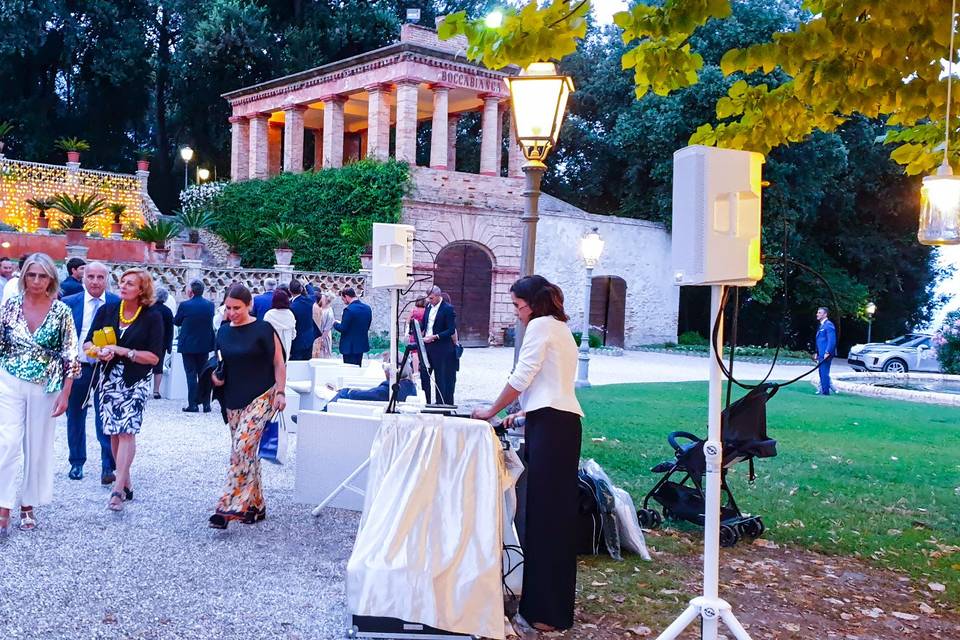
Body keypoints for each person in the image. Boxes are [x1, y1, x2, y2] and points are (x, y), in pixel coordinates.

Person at [471, 275, 583, 633]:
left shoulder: (539, 326)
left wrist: (490, 411)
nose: (517, 314)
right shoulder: (561, 328)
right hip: (559, 424)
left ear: (532, 304)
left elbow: (523, 376)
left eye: (518, 306)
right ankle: (549, 609)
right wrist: (519, 415)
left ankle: (544, 614)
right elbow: (553, 386)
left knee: (545, 520)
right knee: (554, 519)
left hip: (552, 428)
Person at [0, 253, 79, 536]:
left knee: (36, 446)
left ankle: (28, 504)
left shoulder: (62, 312)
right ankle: (4, 506)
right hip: (8, 380)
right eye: (31, 275)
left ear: (50, 279)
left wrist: (66, 393)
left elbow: (71, 353)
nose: (35, 281)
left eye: (42, 275)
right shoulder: (9, 306)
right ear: (23, 277)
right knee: (7, 443)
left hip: (45, 385)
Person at [208, 284, 286, 529]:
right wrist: (214, 377)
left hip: (262, 395)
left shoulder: (263, 329)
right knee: (247, 453)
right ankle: (256, 505)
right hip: (233, 397)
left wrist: (281, 392)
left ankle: (228, 506)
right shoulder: (222, 332)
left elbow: (279, 363)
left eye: (237, 308)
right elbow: (219, 361)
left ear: (249, 305)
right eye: (228, 308)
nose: (232, 312)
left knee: (241, 448)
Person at [86, 268, 164, 511]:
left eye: (130, 283)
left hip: (135, 380)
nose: (123, 286)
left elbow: (153, 357)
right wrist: (98, 351)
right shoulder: (107, 310)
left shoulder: (152, 316)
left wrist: (123, 351)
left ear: (142, 290)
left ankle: (117, 490)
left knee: (127, 432)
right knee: (113, 432)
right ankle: (126, 481)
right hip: (109, 380)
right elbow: (88, 341)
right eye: (122, 282)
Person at [61, 261, 119, 484]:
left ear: (106, 280)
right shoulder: (69, 303)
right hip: (78, 368)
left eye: (100, 277)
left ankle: (108, 465)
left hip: (106, 369)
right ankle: (76, 462)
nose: (95, 281)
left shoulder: (116, 303)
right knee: (75, 415)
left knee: (105, 417)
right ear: (83, 278)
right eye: (91, 276)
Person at [174, 279, 216, 413]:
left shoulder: (185, 305)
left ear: (191, 291)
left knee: (191, 374)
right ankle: (206, 404)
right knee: (203, 374)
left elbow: (177, 321)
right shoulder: (210, 305)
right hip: (204, 344)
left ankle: (193, 404)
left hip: (188, 344)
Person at [325, 354, 417, 407]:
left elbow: (369, 395)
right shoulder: (410, 386)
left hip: (371, 410)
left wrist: (350, 391)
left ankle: (322, 415)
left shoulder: (389, 389)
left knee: (344, 393)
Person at [420, 286, 457, 405]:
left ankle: (440, 403)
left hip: (441, 347)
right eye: (428, 298)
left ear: (438, 296)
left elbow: (451, 329)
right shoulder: (428, 307)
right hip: (427, 345)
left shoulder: (447, 309)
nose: (429, 300)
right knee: (425, 374)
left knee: (440, 377)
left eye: (431, 298)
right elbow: (426, 324)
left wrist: (435, 336)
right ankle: (426, 401)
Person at [333, 287, 372, 366]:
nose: (343, 302)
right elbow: (367, 325)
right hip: (361, 345)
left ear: (346, 296)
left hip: (349, 347)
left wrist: (335, 323)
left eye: (343, 299)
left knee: (349, 370)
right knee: (358, 368)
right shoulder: (367, 308)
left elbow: (343, 328)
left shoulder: (348, 310)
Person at [152, 287, 174, 400]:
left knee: (144, 366)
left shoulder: (148, 309)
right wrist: (169, 345)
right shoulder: (168, 311)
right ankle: (156, 391)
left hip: (147, 342)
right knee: (158, 367)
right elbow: (171, 330)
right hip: (162, 343)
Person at [264, 289, 295, 360]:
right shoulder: (290, 314)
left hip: (271, 349)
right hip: (286, 350)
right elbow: (293, 335)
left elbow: (264, 334)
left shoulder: (269, 314)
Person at [288, 279, 315, 361]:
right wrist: (307, 284)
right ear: (301, 289)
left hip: (297, 341)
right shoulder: (309, 300)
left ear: (289, 290)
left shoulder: (291, 307)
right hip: (309, 338)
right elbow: (312, 293)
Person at [815, 306, 837, 396]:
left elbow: (832, 340)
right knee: (821, 372)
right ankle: (823, 390)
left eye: (819, 313)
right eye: (817, 312)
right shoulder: (822, 325)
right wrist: (817, 352)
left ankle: (825, 392)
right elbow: (819, 340)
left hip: (825, 354)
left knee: (824, 372)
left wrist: (827, 352)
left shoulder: (829, 325)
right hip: (821, 353)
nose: (817, 314)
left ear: (825, 314)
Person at [312, 291, 336, 359]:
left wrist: (321, 339)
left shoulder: (329, 313)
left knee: (323, 354)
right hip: (317, 335)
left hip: (323, 336)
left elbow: (327, 329)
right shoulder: (319, 308)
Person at [407, 297, 427, 374]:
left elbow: (408, 321)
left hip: (414, 333)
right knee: (422, 352)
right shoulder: (426, 311)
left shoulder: (413, 310)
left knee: (414, 353)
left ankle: (415, 371)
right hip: (423, 334)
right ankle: (422, 369)